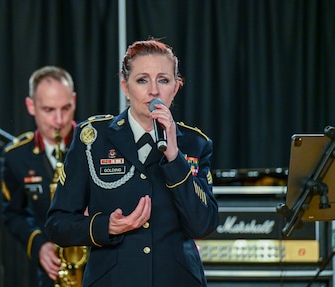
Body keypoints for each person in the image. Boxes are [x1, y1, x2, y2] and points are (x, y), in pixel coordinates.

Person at [45, 39, 219, 286]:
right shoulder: (93, 139)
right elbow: (57, 224)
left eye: (163, 80)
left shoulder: (194, 143)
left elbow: (203, 224)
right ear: (125, 87)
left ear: (176, 87)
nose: (153, 91)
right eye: (142, 80)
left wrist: (173, 156)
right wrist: (107, 226)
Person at [1, 66, 77, 287]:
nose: (59, 120)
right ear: (30, 106)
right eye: (49, 110)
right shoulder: (16, 156)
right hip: (54, 271)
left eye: (66, 108)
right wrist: (39, 245)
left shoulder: (97, 143)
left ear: (74, 100)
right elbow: (13, 214)